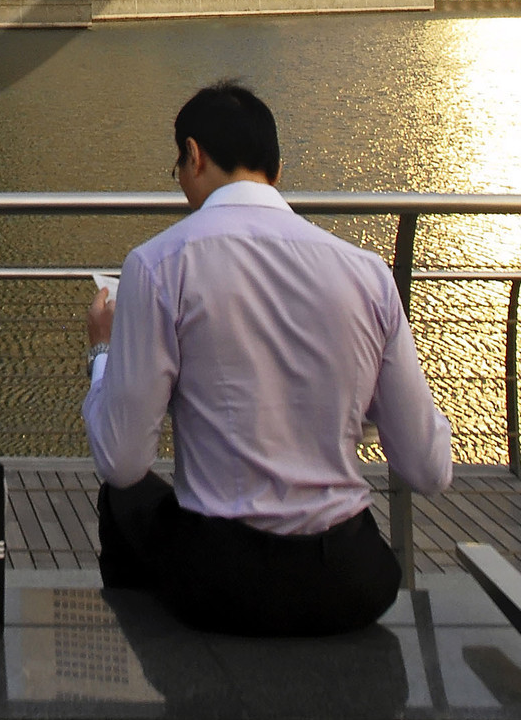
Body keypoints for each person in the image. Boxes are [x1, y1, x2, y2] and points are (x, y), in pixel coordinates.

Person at [82, 80, 451, 636]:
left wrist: (104, 352)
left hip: (222, 582)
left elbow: (122, 460)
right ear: (276, 172)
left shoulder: (160, 264)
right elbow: (428, 468)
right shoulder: (368, 273)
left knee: (124, 499)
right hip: (349, 580)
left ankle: (160, 674)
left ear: (194, 154)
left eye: (178, 167)